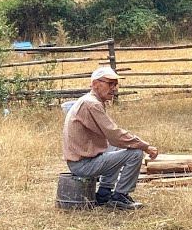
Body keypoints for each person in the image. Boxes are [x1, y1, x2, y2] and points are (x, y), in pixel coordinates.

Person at [62, 66, 159, 210]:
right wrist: (145, 146)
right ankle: (120, 196)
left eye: (115, 84)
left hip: (81, 160)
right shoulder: (92, 104)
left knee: (123, 147)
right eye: (110, 84)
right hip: (83, 165)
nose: (114, 88)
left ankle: (104, 193)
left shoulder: (89, 100)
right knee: (135, 153)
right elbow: (115, 134)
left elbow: (114, 137)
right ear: (95, 84)